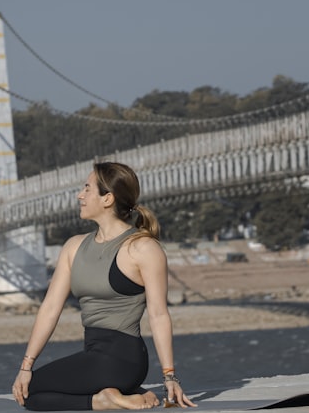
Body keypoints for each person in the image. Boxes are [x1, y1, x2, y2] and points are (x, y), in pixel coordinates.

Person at [12, 162, 196, 410]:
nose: (80, 195)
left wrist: (169, 376)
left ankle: (103, 399)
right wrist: (26, 366)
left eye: (87, 189)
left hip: (124, 359)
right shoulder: (74, 247)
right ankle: (125, 392)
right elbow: (50, 308)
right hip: (94, 355)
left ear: (107, 198)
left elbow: (158, 314)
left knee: (33, 393)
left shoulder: (142, 248)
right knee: (26, 390)